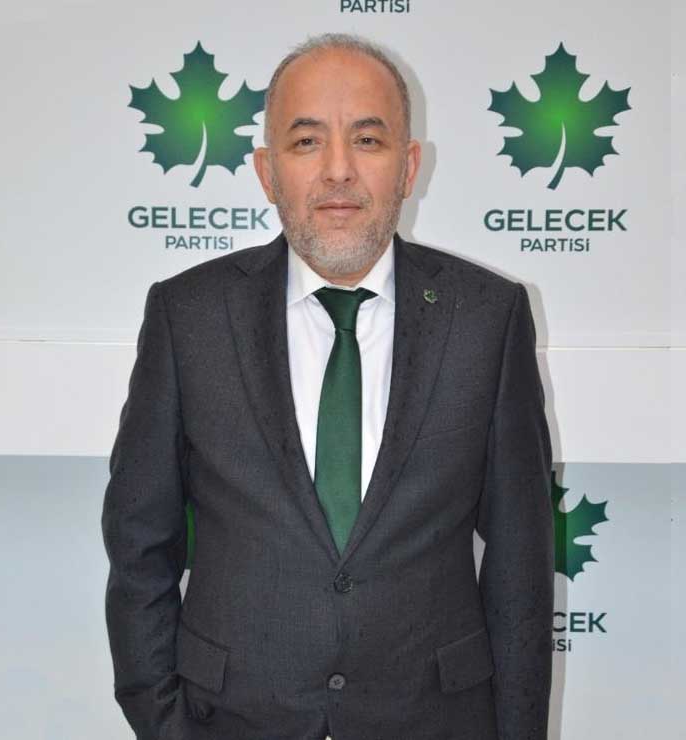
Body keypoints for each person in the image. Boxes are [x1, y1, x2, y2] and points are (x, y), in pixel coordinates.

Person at [102, 32, 554, 740]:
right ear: (266, 171)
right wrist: (166, 725)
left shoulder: (486, 317)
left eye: (368, 141)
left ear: (409, 167)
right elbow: (139, 547)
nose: (338, 170)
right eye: (307, 142)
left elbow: (522, 564)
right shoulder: (188, 316)